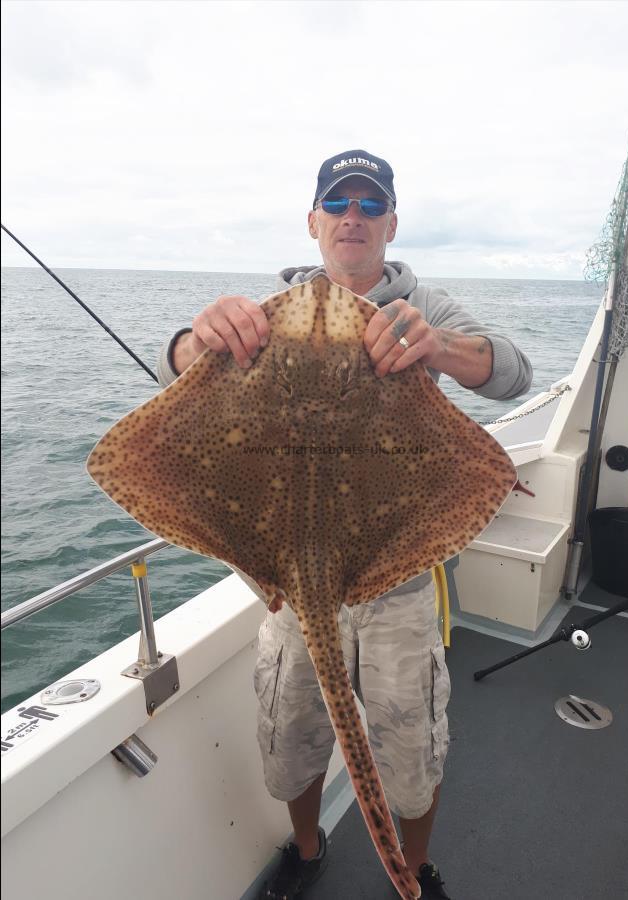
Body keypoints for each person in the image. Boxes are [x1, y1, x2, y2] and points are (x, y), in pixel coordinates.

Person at [157, 150, 532, 900]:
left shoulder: (427, 306)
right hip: (291, 583)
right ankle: (306, 848)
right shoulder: (259, 321)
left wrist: (442, 347)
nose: (353, 217)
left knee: (412, 752)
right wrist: (194, 340)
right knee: (290, 742)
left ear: (390, 224)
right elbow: (176, 371)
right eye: (339, 204)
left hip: (393, 574)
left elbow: (514, 373)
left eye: (369, 206)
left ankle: (414, 871)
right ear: (314, 222)